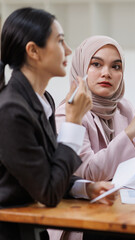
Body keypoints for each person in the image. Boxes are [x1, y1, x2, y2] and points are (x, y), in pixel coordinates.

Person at [0, 8, 117, 240]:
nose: (69, 51)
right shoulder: (11, 109)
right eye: (60, 41)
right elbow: (48, 192)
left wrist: (85, 187)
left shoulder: (44, 100)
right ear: (33, 51)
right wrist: (74, 122)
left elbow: (48, 170)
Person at [55, 35, 135, 182]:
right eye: (96, 64)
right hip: (84, 204)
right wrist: (130, 132)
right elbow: (88, 173)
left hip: (117, 200)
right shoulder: (68, 113)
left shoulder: (124, 108)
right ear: (81, 68)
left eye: (116, 67)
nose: (106, 73)